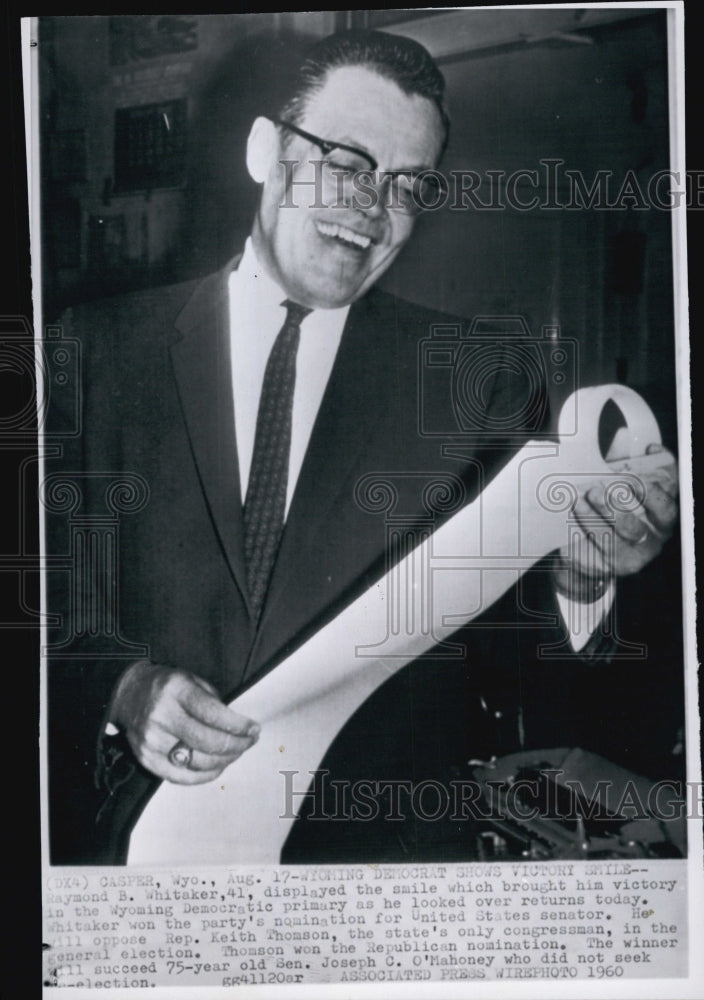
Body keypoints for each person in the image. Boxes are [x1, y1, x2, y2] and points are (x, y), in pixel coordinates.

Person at [45, 29, 680, 864]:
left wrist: (583, 573)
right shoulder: (91, 352)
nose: (372, 209)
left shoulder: (475, 377)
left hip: (379, 871)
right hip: (143, 856)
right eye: (347, 163)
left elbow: (521, 685)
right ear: (265, 152)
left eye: (408, 185)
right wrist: (120, 688)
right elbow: (42, 602)